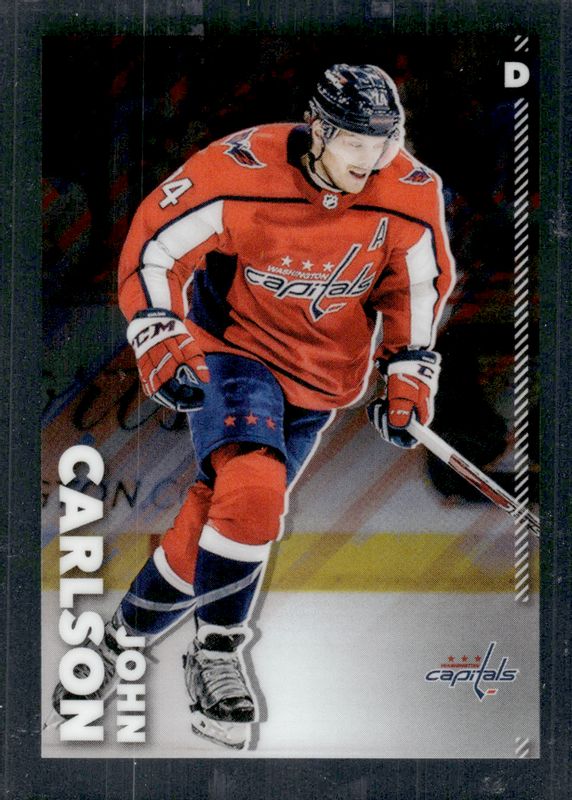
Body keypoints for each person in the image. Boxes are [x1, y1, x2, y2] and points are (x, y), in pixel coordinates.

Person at [51, 63, 455, 749]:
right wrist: (158, 332)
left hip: (321, 379)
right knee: (255, 489)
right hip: (233, 349)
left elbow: (414, 289)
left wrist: (407, 374)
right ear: (318, 129)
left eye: (387, 140)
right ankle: (216, 655)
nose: (374, 159)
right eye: (357, 142)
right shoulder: (238, 169)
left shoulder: (410, 192)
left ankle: (119, 640)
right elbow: (154, 246)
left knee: (224, 517)